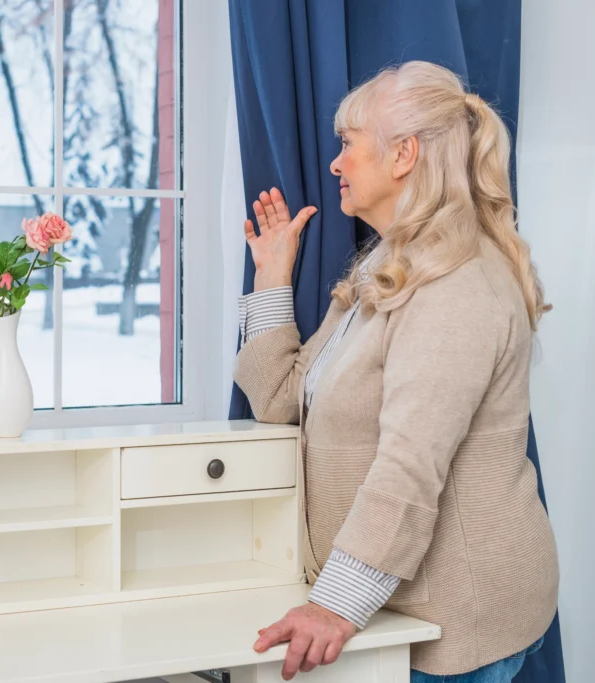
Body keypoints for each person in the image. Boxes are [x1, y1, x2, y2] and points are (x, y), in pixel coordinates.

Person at [233, 61, 559, 682]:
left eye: (348, 144)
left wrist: (333, 605)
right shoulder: (386, 268)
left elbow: (410, 463)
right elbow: (282, 399)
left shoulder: (455, 283)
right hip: (394, 604)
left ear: (404, 154)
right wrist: (273, 277)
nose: (335, 163)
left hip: (461, 618)